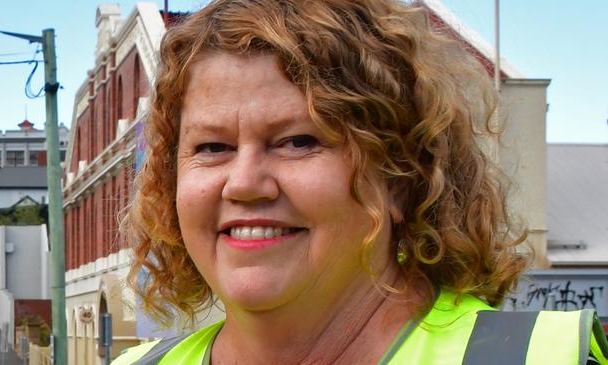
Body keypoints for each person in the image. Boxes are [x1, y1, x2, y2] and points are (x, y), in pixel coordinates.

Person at [113, 0, 608, 364]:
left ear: (399, 176)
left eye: (298, 141)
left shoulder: (537, 357)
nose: (244, 183)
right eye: (212, 148)